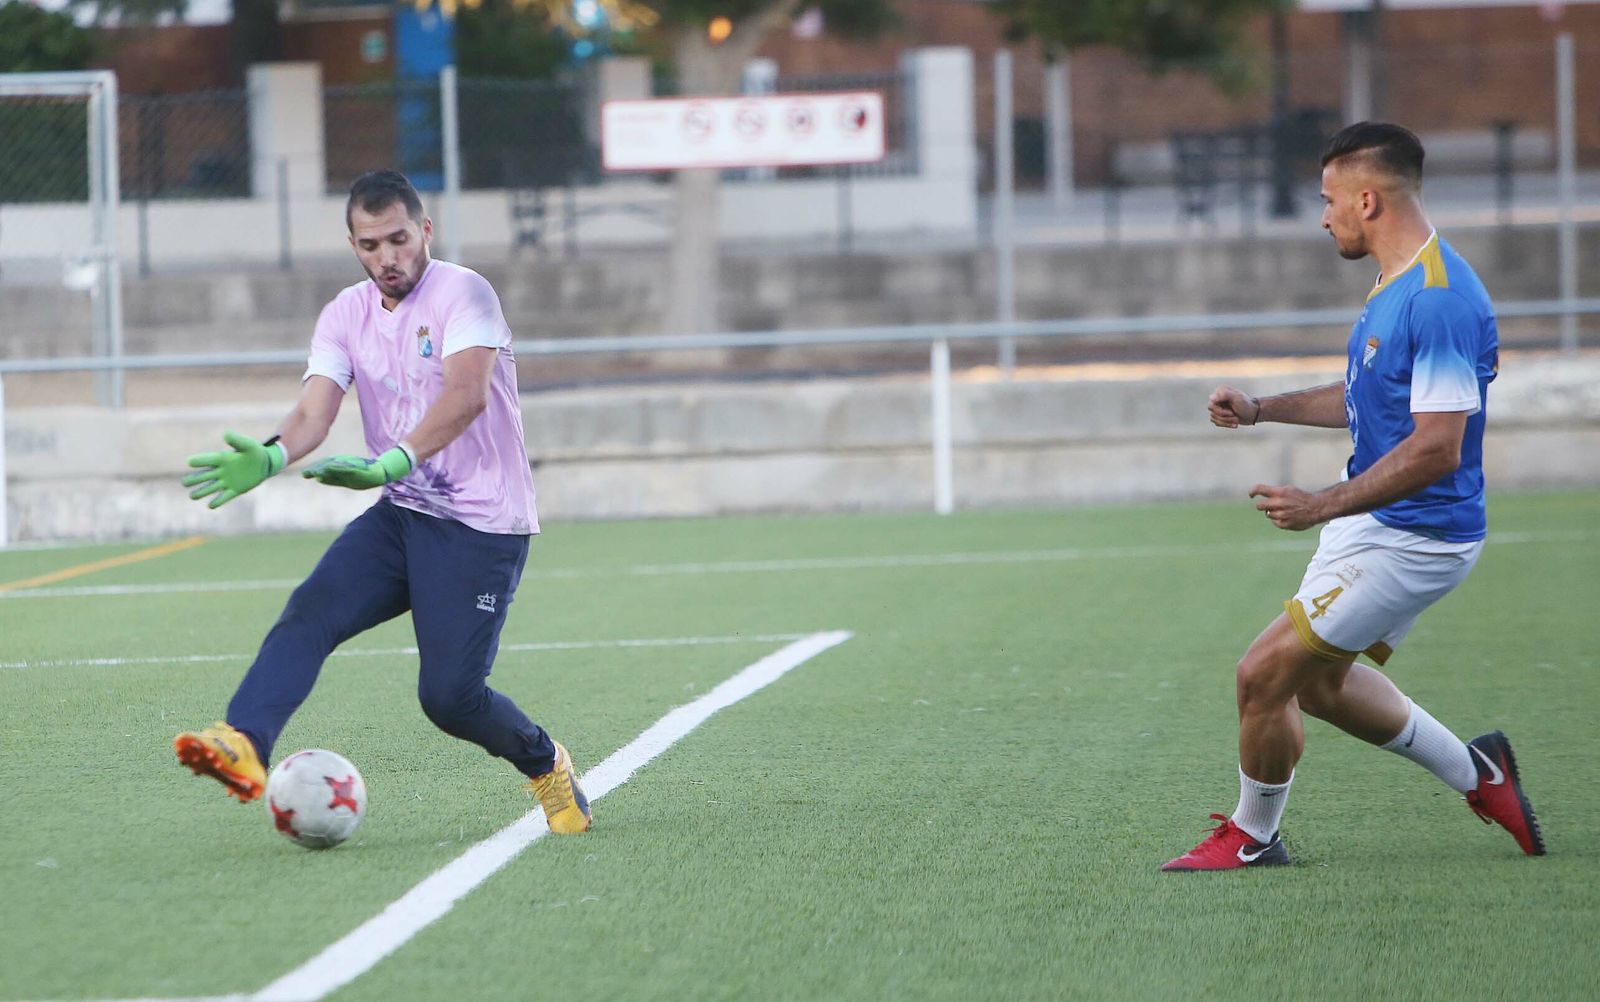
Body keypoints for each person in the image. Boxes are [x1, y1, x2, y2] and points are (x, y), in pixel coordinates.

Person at [1162, 122, 1542, 871]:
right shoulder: (1396, 281)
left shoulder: (1438, 301)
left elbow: (1439, 447)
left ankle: (1253, 837)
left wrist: (1320, 505)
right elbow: (1369, 395)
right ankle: (1481, 774)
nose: (1323, 215)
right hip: (1374, 522)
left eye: (1330, 199)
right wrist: (1262, 406)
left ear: (1368, 200)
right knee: (1321, 685)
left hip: (1416, 536)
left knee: (1262, 676)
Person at [173, 169, 590, 835]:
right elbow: (314, 412)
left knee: (449, 699)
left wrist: (393, 461)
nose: (386, 257)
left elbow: (466, 395)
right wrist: (273, 454)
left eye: (398, 239)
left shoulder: (465, 294)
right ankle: (244, 744)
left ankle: (545, 762)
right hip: (401, 516)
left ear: (424, 231)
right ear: (354, 245)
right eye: (370, 245)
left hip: (482, 525)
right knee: (308, 613)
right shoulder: (345, 313)